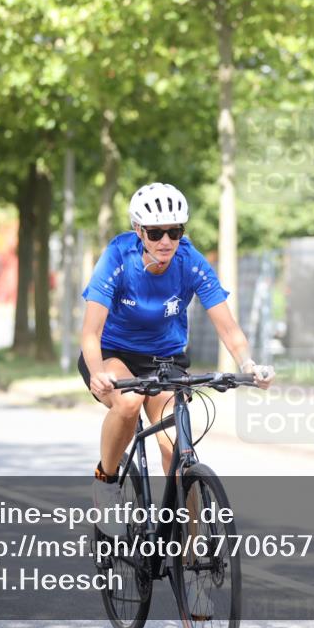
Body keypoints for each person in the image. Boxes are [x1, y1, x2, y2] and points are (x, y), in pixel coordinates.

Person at [78, 183, 275, 536]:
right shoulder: (118, 257)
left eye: (175, 231)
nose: (166, 240)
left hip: (165, 358)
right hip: (113, 354)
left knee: (176, 448)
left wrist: (249, 365)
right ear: (139, 231)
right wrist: (96, 373)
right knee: (128, 402)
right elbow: (90, 333)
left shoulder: (189, 262)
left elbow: (228, 328)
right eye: (155, 233)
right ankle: (105, 481)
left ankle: (192, 546)